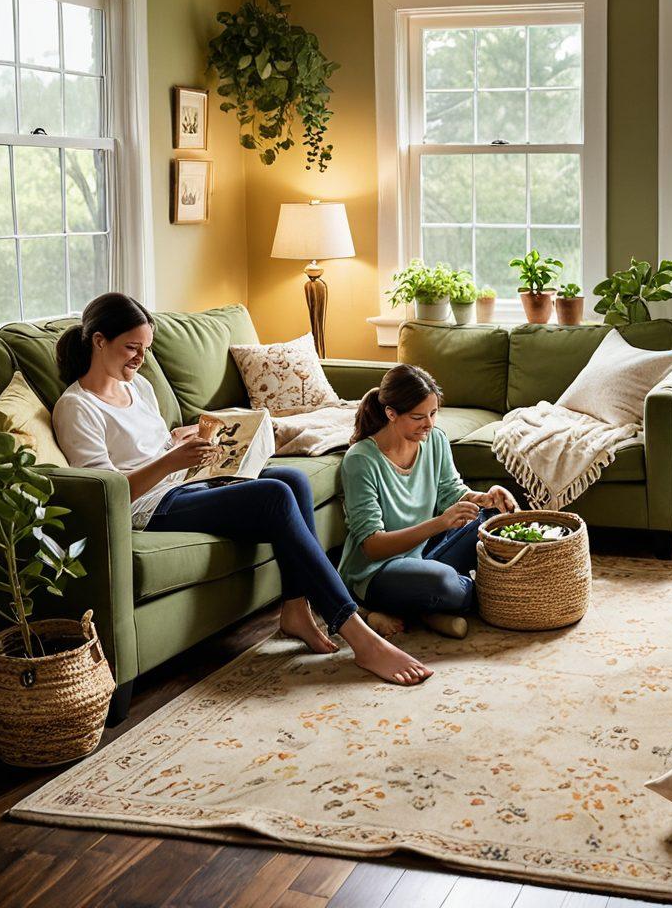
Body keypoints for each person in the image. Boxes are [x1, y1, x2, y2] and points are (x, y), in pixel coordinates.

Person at [51, 293, 431, 686]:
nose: (140, 359)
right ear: (99, 341)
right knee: (273, 496)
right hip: (148, 507)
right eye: (132, 348)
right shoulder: (77, 407)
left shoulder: (139, 386)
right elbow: (105, 494)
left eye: (145, 349)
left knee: (292, 479)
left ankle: (296, 608)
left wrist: (179, 442)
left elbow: (152, 444)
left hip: (182, 482)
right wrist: (170, 461)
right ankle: (358, 635)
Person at [337, 363, 518, 635]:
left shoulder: (435, 440)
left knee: (496, 521)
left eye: (433, 413)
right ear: (391, 414)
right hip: (378, 572)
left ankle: (426, 608)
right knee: (444, 582)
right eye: (418, 417)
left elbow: (451, 492)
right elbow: (372, 547)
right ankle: (369, 610)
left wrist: (486, 498)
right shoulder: (361, 461)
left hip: (426, 553)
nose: (429, 424)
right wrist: (441, 523)